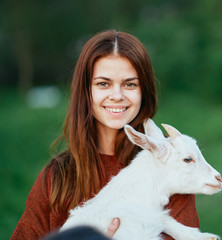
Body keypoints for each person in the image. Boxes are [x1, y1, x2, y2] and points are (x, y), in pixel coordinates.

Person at [11, 30, 199, 240]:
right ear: (86, 91)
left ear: (143, 91)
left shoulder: (170, 169)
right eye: (103, 84)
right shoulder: (56, 177)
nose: (117, 96)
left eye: (130, 84)